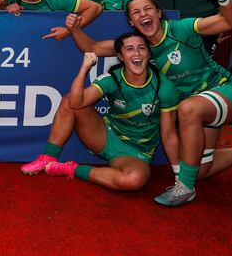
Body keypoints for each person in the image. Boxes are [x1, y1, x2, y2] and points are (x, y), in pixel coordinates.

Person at [67, 0, 232, 206]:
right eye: (136, 12)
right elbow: (92, 46)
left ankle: (185, 188)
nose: (143, 15)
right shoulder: (139, 47)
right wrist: (75, 30)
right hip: (199, 110)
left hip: (227, 91)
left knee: (187, 109)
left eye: (148, 9)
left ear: (159, 12)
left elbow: (230, 22)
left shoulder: (183, 28)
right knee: (200, 170)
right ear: (131, 22)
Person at [21, 33, 180, 192]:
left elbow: (169, 134)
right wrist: (84, 69)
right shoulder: (112, 78)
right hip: (104, 136)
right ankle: (48, 158)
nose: (136, 53)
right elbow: (75, 102)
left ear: (148, 53)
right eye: (129, 49)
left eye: (141, 48)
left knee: (134, 180)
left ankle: (71, 169)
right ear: (121, 56)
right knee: (69, 101)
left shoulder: (164, 87)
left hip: (136, 151)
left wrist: (179, 175)